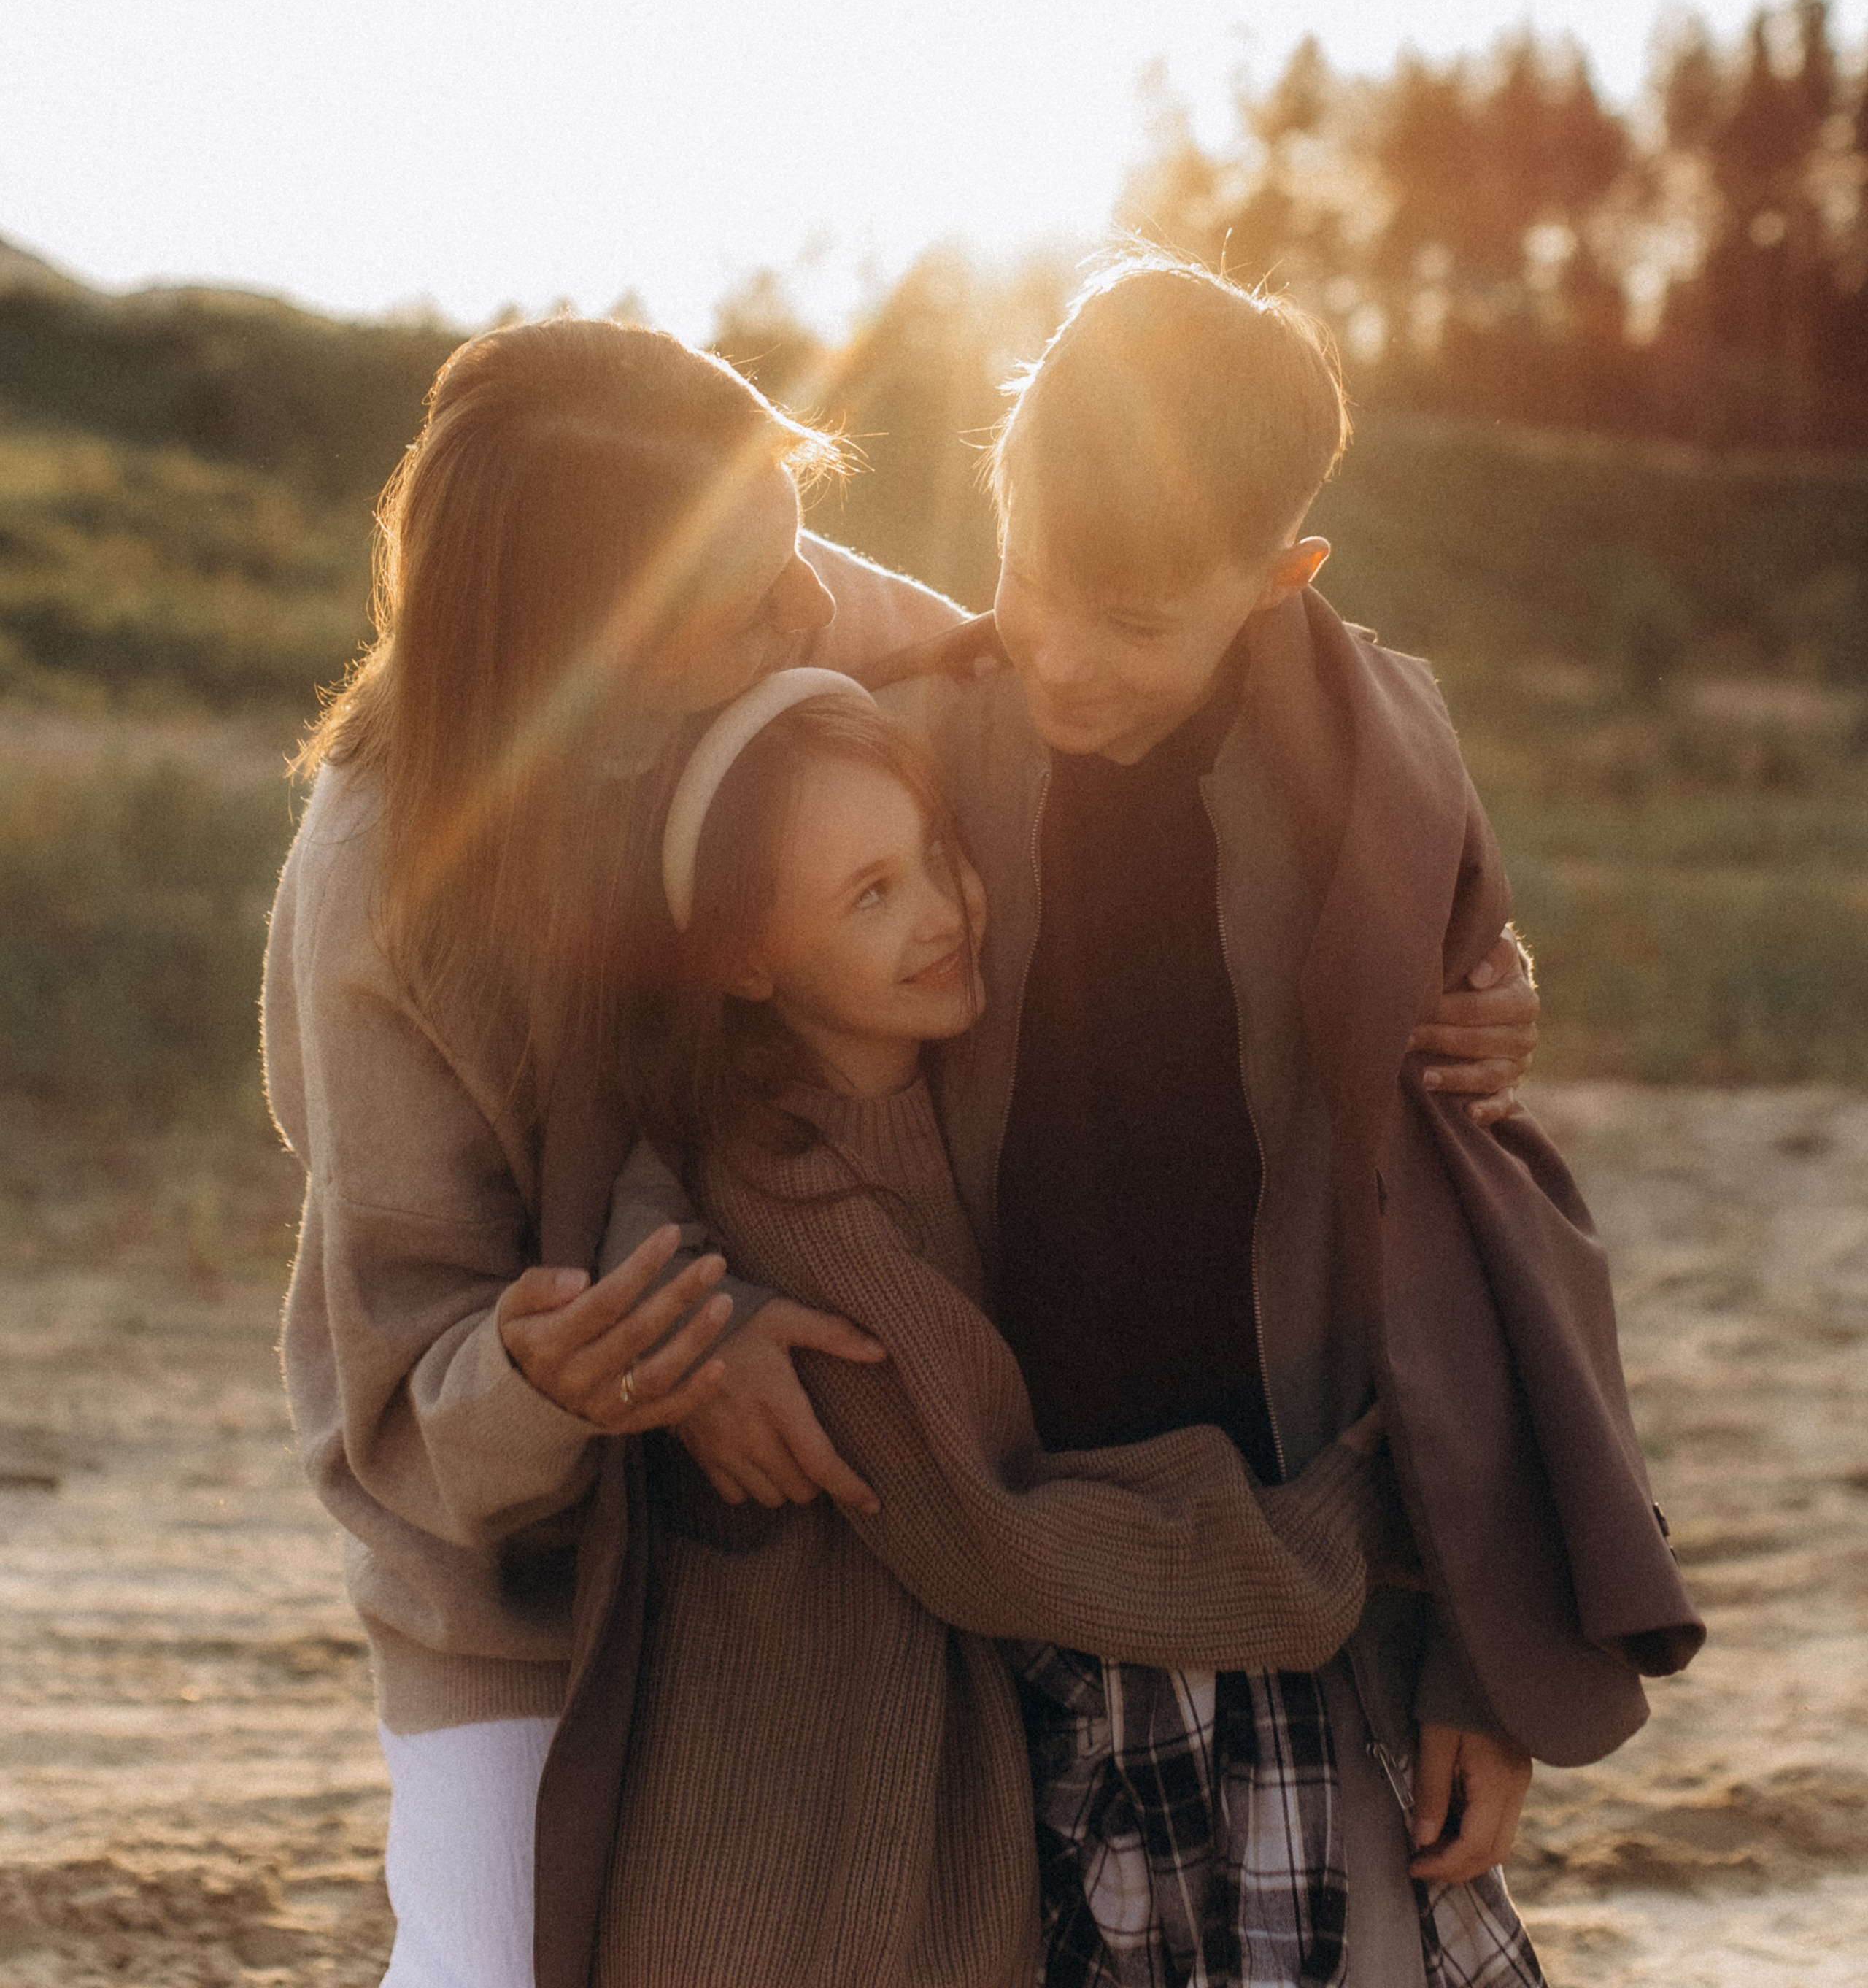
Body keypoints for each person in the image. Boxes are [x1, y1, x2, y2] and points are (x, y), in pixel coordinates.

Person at [261, 308, 1536, 1988]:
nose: (820, 607)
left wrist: (1455, 950)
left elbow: (1104, 669)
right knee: (494, 1954)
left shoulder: (791, 607)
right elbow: (399, 1367)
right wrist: (641, 1351)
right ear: (601, 638)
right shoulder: (380, 880)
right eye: (752, 600)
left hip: (815, 1549)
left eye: (800, 547)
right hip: (529, 1595)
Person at [844, 258, 1702, 1984]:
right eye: (1028, 582)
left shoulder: (1376, 777)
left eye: (1136, 620)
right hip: (987, 1567)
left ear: (1279, 576)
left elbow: (1465, 1245)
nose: (1061, 658)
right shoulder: (915, 736)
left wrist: (1471, 1661)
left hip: (1300, 1568)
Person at [573, 674, 1410, 1986]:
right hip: (799, 1868)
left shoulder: (959, 1099)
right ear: (746, 961)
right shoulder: (786, 1197)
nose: (941, 912)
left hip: (909, 1806)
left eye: (938, 855)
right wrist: (1343, 1518)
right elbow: (997, 1533)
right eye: (869, 895)